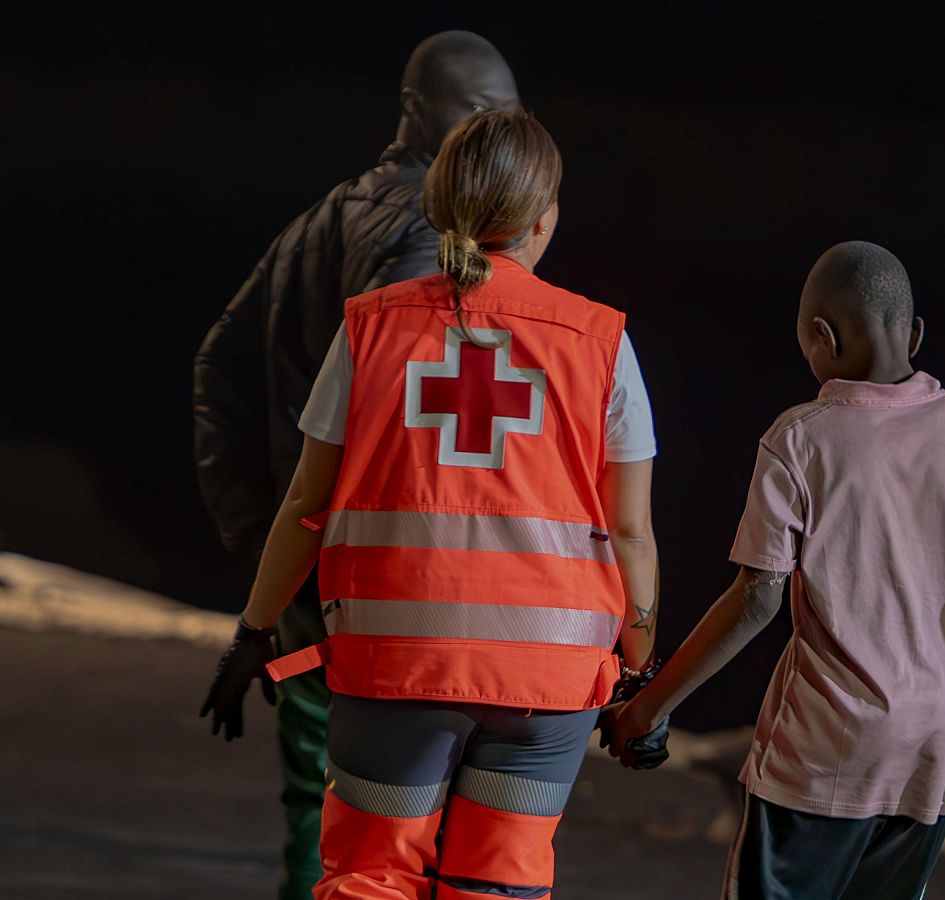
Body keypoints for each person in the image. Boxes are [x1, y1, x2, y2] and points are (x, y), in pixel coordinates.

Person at [200, 108, 662, 899]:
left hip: (393, 669)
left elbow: (305, 502)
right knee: (499, 888)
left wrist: (254, 628)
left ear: (438, 207)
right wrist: (643, 676)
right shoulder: (602, 343)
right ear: (544, 220)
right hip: (543, 686)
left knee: (370, 878)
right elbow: (630, 530)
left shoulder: (370, 330)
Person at [605, 241, 945, 897]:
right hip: (933, 753)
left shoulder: (800, 438)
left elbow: (756, 600)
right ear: (915, 333)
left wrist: (647, 708)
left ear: (820, 338)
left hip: (823, 753)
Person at [192, 31, 521, 899]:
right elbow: (424, 425)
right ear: (421, 109)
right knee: (401, 827)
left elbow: (218, 367)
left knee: (319, 800)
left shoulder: (319, 218)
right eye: (486, 110)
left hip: (312, 573)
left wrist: (264, 535)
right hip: (387, 590)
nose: (503, 129)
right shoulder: (432, 233)